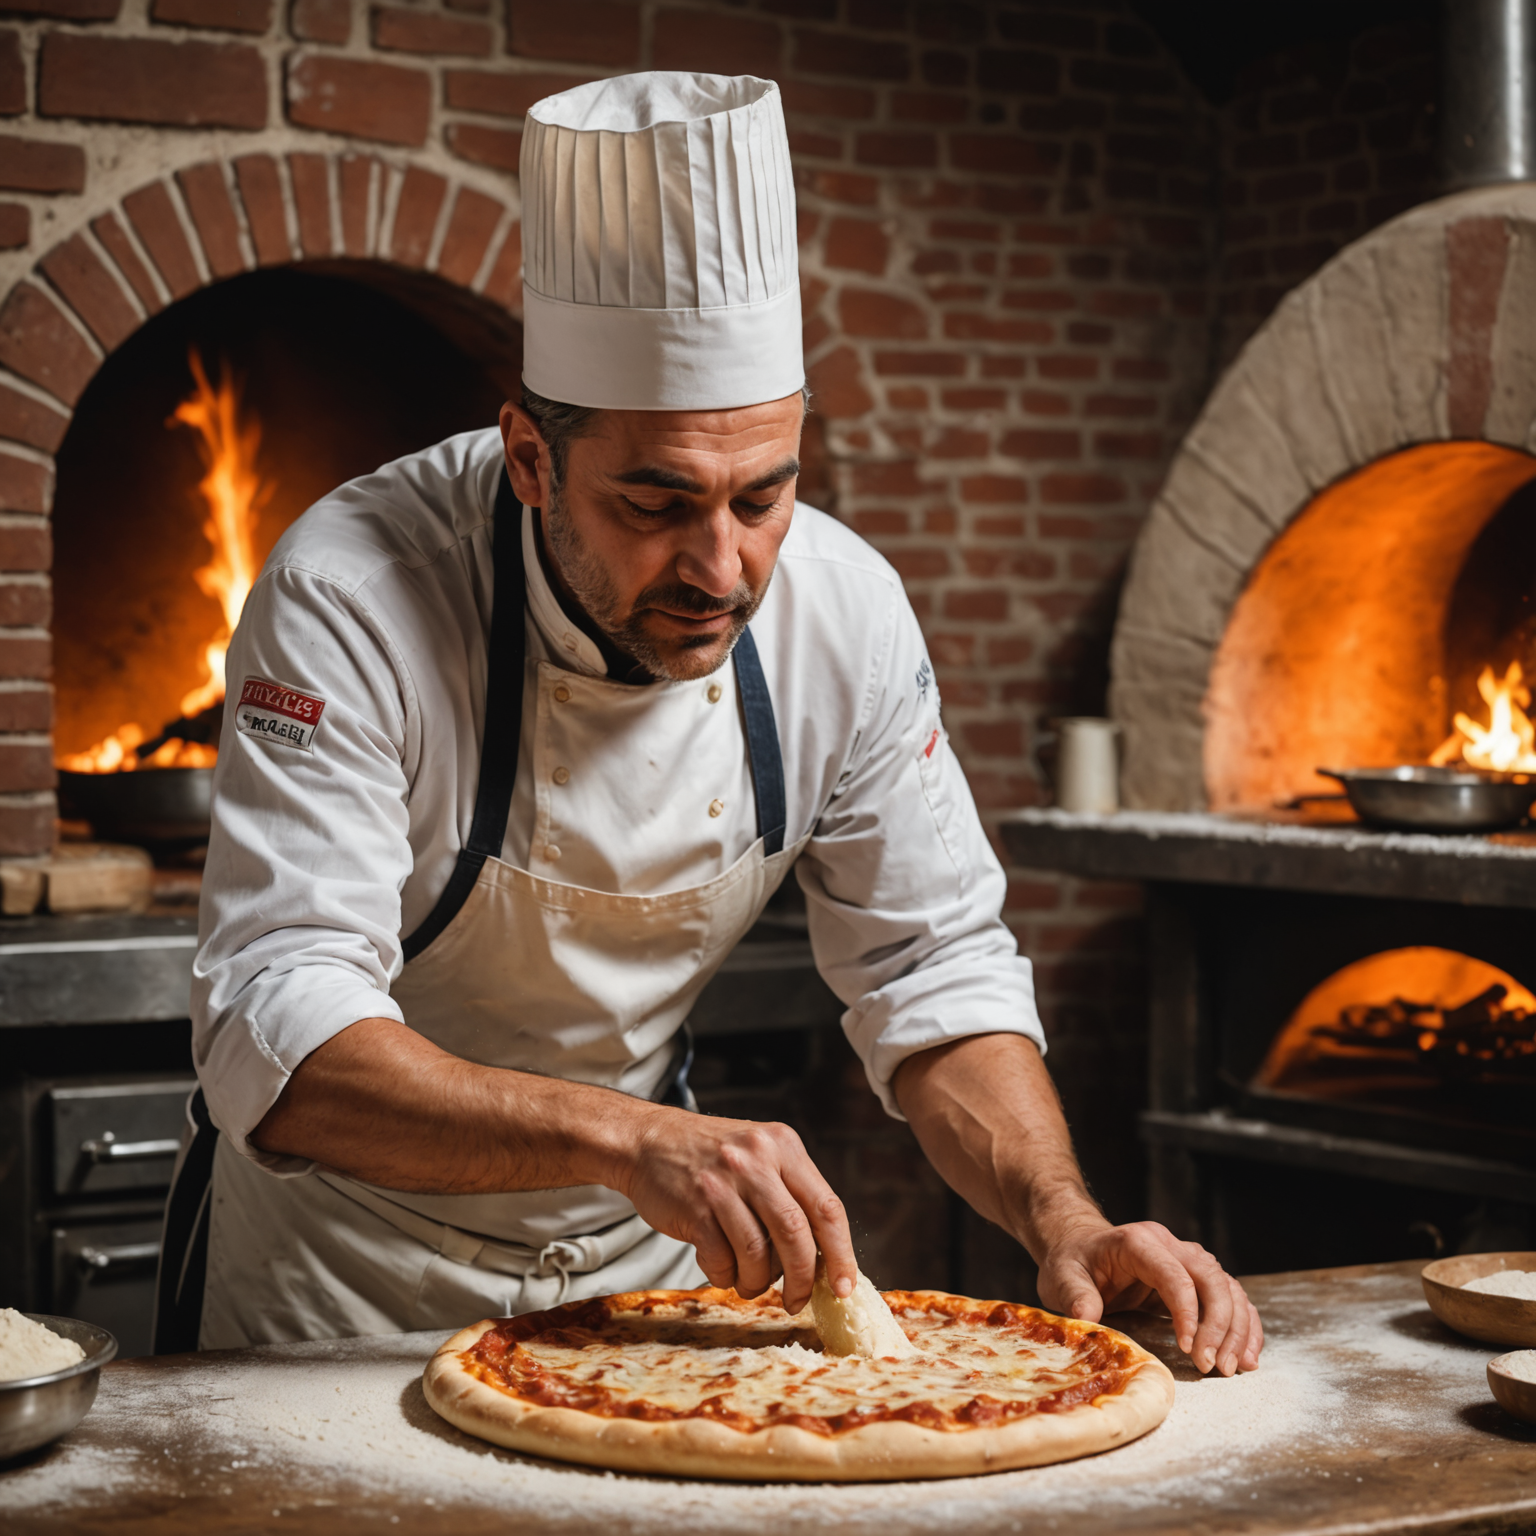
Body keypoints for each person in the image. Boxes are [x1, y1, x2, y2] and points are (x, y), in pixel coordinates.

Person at [159, 71, 1261, 1379]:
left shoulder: (844, 613)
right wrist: (631, 1138)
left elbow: (932, 972)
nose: (724, 567)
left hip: (642, 1281)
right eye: (657, 501)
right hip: (335, 1286)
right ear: (530, 459)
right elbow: (278, 1036)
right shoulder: (349, 590)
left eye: (762, 497)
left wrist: (1062, 1216)